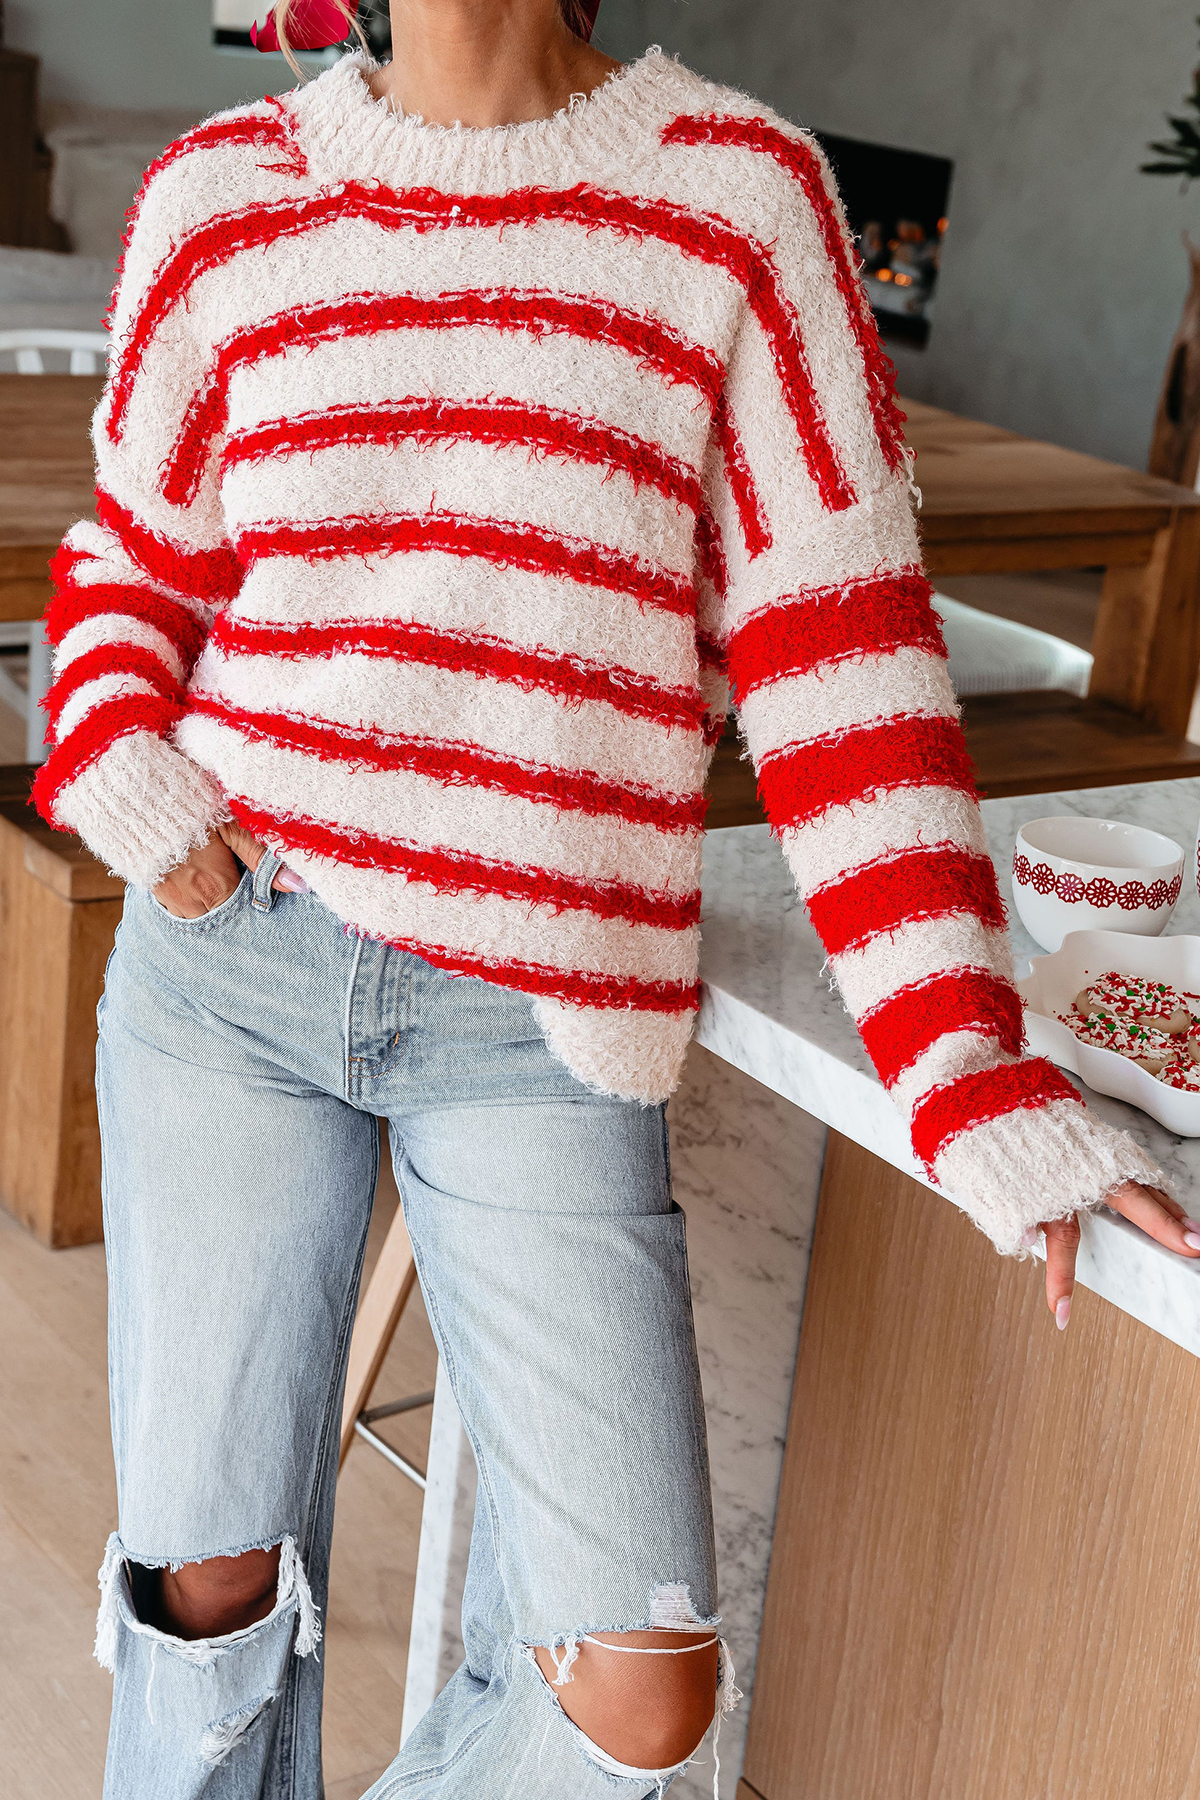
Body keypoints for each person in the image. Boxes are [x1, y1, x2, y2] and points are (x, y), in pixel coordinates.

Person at [33, 1, 1199, 1794]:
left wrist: (974, 1076)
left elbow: (846, 674)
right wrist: (117, 744)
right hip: (230, 965)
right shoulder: (223, 188)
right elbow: (131, 556)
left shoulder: (738, 196)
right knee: (209, 1586)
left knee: (638, 1690)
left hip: (541, 1019)